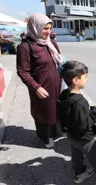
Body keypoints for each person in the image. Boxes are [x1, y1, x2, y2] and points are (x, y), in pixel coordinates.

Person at [58, 61, 96, 184]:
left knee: (76, 155)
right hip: (85, 138)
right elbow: (86, 124)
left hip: (71, 135)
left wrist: (90, 109)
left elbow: (74, 115)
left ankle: (79, 172)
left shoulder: (64, 95)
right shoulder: (80, 102)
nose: (87, 79)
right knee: (94, 156)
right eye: (85, 77)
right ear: (76, 80)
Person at [16, 13, 62, 148]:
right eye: (44, 28)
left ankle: (56, 133)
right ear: (35, 27)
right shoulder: (25, 47)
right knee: (44, 113)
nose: (48, 32)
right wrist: (36, 87)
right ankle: (46, 137)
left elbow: (59, 61)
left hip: (56, 84)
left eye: (49, 28)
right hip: (41, 87)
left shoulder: (50, 42)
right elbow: (22, 72)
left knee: (56, 110)